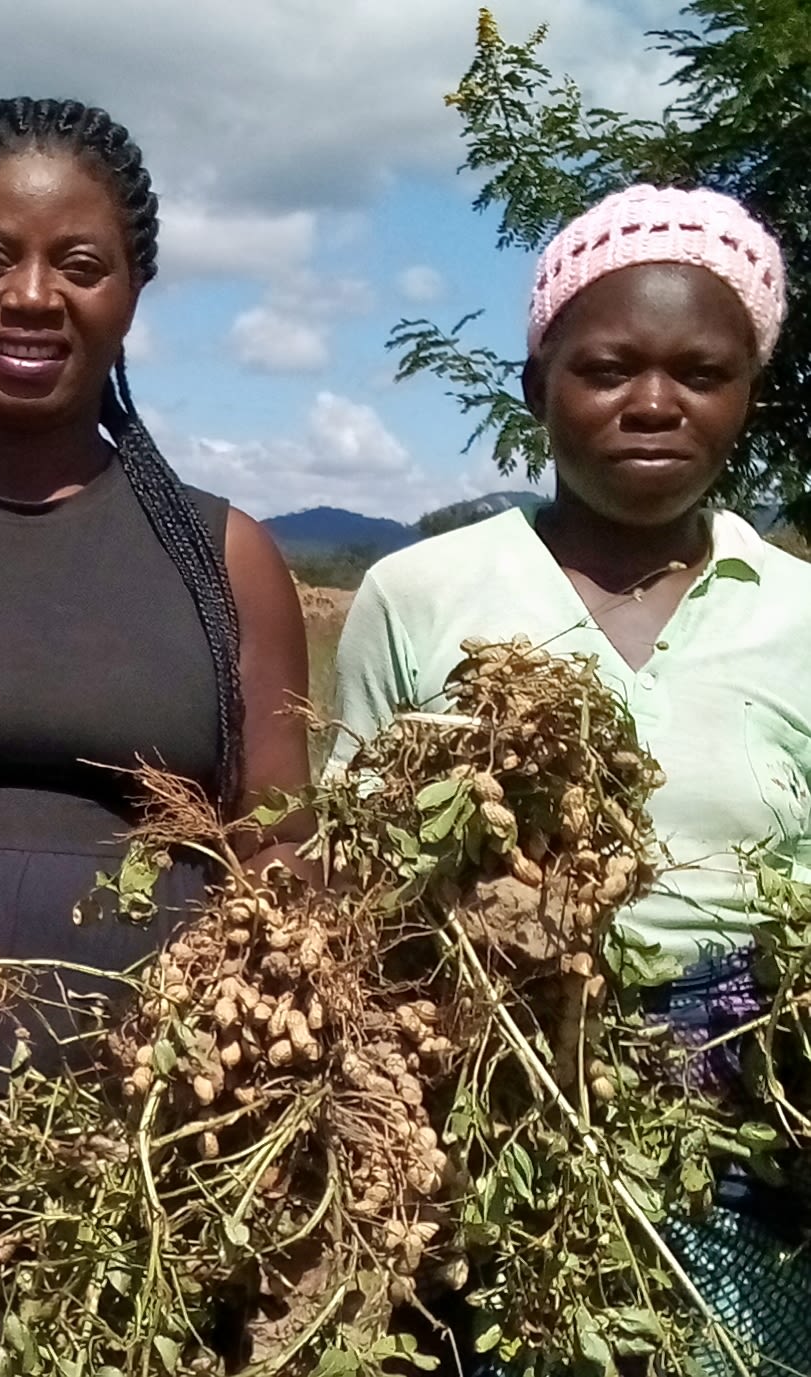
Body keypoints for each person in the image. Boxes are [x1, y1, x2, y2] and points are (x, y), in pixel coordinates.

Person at [331, 186, 811, 1371]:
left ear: (748, 389)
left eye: (702, 371)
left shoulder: (800, 613)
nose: (654, 403)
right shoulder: (423, 593)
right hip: (478, 1092)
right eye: (607, 369)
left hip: (753, 1105)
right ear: (540, 382)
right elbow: (348, 876)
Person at [0, 97, 311, 1068]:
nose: (35, 296)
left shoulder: (227, 558)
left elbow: (281, 858)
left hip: (159, 1141)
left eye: (81, 266)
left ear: (132, 295)